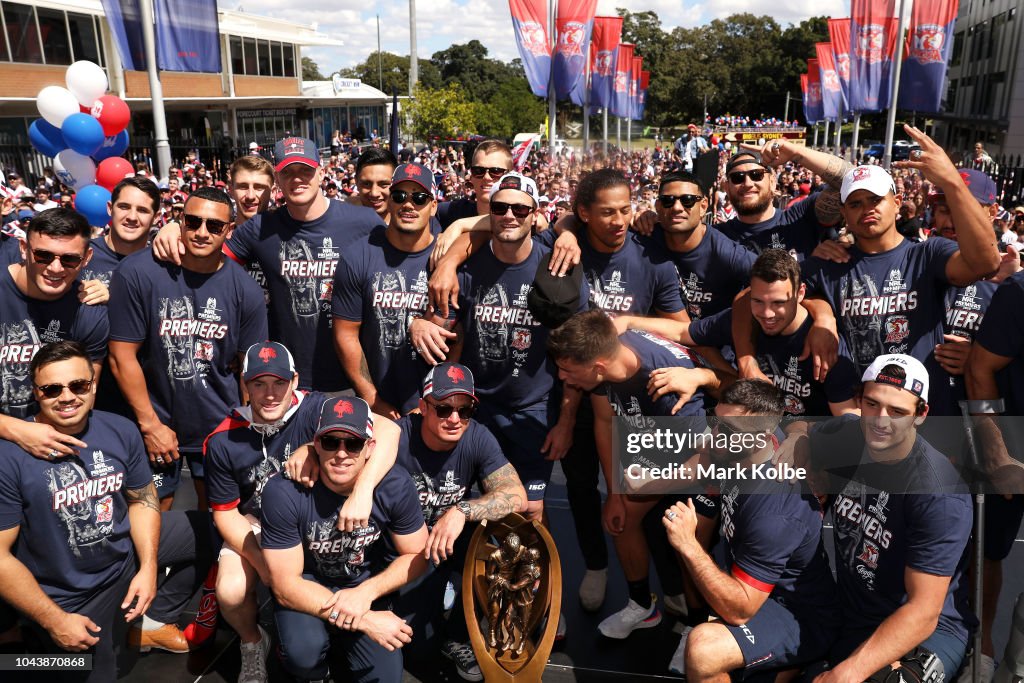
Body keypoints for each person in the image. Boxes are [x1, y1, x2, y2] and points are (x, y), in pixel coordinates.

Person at [0, 341, 214, 680]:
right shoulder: (10, 455)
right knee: (74, 669)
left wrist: (148, 568)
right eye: (52, 389)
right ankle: (22, 653)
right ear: (36, 393)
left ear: (94, 384)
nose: (67, 396)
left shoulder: (120, 428)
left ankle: (153, 622)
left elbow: (142, 500)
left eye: (79, 385)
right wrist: (55, 620)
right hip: (70, 592)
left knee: (214, 530)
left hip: (123, 554)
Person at [205, 341, 404, 683]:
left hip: (311, 519)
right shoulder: (223, 439)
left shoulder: (314, 409)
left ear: (295, 381)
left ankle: (319, 634)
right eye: (258, 384)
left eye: (279, 383)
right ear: (245, 385)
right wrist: (259, 559)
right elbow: (226, 514)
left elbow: (388, 429)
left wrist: (362, 489)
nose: (270, 394)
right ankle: (253, 642)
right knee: (231, 590)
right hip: (256, 524)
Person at [412, 173, 588, 522]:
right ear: (488, 212)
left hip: (534, 407)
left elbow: (576, 356)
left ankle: (536, 577)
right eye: (500, 207)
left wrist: (566, 421)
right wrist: (418, 323)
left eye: (520, 209)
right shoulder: (465, 268)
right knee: (472, 502)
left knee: (532, 509)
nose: (510, 215)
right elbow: (446, 331)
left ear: (535, 214)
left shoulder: (558, 268)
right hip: (477, 407)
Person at [791, 127, 1001, 417]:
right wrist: (820, 313)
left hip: (926, 420)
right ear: (844, 212)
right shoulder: (830, 261)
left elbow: (985, 264)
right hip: (858, 420)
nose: (867, 210)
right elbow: (762, 295)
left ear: (897, 203)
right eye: (855, 203)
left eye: (875, 199)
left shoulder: (927, 254)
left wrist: (952, 182)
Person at [547, 309, 717, 641]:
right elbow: (606, 422)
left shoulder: (664, 382)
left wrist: (651, 484)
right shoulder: (604, 358)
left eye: (567, 371)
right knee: (620, 517)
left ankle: (698, 629)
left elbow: (707, 461)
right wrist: (613, 492)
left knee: (689, 546)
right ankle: (642, 606)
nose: (562, 378)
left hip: (708, 458)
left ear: (597, 367)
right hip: (658, 444)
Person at [809, 354, 974, 683]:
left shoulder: (939, 493)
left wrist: (847, 673)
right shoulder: (846, 435)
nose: (880, 421)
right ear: (859, 402)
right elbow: (804, 428)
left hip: (928, 629)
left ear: (921, 414)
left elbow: (923, 612)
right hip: (852, 611)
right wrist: (800, 447)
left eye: (898, 411)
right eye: (872, 404)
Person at [663, 379, 840, 680]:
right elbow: (795, 427)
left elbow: (739, 610)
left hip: (797, 614)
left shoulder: (775, 506)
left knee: (703, 650)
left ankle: (793, 665)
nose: (716, 436)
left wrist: (688, 544)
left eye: (729, 430)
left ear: (763, 436)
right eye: (714, 420)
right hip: (760, 585)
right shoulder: (742, 449)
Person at [108, 187, 268, 511]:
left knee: (219, 521)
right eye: (193, 221)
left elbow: (250, 369)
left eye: (214, 226)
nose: (201, 232)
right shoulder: (139, 272)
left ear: (229, 230)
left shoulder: (245, 289)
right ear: (179, 220)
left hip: (218, 427)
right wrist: (150, 425)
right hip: (153, 422)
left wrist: (248, 433)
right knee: (153, 519)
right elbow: (120, 356)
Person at [260, 396, 428, 683]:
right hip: (309, 586)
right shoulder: (283, 491)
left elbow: (417, 554)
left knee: (387, 678)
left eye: (352, 444)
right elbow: (285, 586)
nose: (341, 453)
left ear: (369, 448)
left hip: (363, 586)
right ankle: (316, 670)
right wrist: (363, 619)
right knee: (302, 655)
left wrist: (366, 593)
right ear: (315, 443)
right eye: (330, 442)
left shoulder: (394, 485)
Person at [394, 362, 526, 681]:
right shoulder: (396, 438)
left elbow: (517, 495)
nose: (454, 419)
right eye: (443, 408)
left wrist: (462, 510)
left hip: (452, 540)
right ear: (423, 407)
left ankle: (459, 636)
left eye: (464, 410)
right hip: (404, 549)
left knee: (506, 556)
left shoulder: (477, 437)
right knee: (418, 652)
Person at [620, 248, 861, 417]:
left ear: (800, 294)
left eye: (778, 303)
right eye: (757, 301)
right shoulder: (743, 319)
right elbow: (684, 332)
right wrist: (628, 322)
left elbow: (847, 420)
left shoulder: (825, 346)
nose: (767, 313)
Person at [332, 163, 437, 418]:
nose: (408, 204)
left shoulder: (446, 257)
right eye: (400, 196)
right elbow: (346, 334)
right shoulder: (358, 255)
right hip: (376, 404)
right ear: (389, 202)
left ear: (433, 206)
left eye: (419, 197)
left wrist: (434, 401)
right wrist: (371, 397)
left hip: (435, 408)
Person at [0, 208, 108, 430]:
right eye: (43, 256)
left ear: (86, 258)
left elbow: (83, 399)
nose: (55, 268)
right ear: (23, 249)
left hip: (59, 438)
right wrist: (20, 432)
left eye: (69, 259)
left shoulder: (90, 310)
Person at [716, 141, 849, 259]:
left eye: (756, 175)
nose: (748, 183)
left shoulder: (801, 217)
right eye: (737, 177)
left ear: (773, 183)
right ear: (727, 188)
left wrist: (797, 153)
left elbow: (854, 182)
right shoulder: (716, 238)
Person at [436, 140, 513, 228]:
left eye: (496, 171)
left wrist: (461, 225)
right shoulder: (450, 212)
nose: (487, 177)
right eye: (478, 171)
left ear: (510, 176)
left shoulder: (521, 214)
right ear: (472, 175)